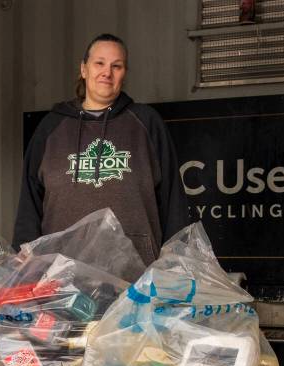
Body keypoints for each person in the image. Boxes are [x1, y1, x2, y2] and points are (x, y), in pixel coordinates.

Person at [12, 33, 188, 265]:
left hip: (135, 272)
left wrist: (176, 259)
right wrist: (23, 254)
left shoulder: (146, 122)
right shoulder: (51, 127)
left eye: (117, 66)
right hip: (61, 271)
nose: (107, 72)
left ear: (124, 74)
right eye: (99, 63)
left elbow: (172, 198)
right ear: (83, 69)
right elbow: (30, 201)